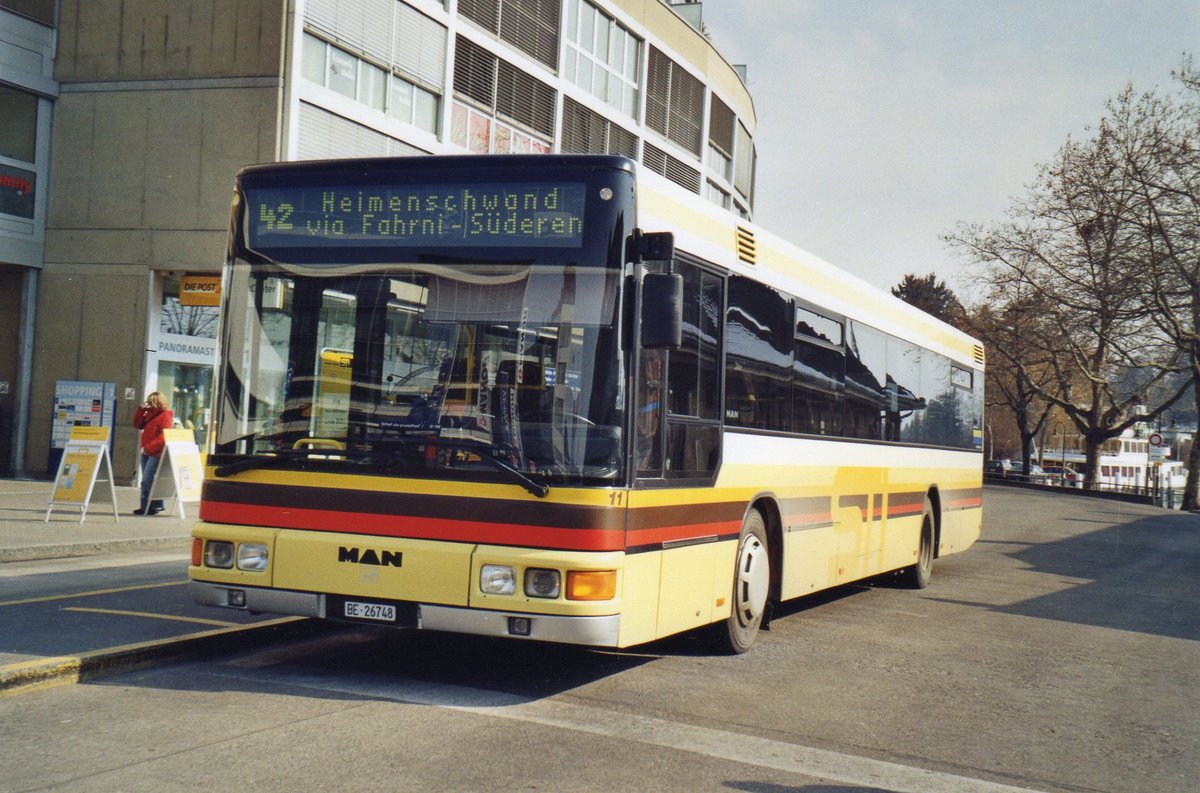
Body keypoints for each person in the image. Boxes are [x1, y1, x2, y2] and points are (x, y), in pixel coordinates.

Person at [133, 392, 173, 515]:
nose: (149, 405)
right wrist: (141, 410)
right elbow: (137, 424)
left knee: (147, 480)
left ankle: (146, 506)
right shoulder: (150, 414)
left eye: (151, 403)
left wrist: (148, 448)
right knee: (149, 480)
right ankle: (155, 505)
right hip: (147, 451)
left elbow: (164, 436)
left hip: (156, 452)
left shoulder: (165, 415)